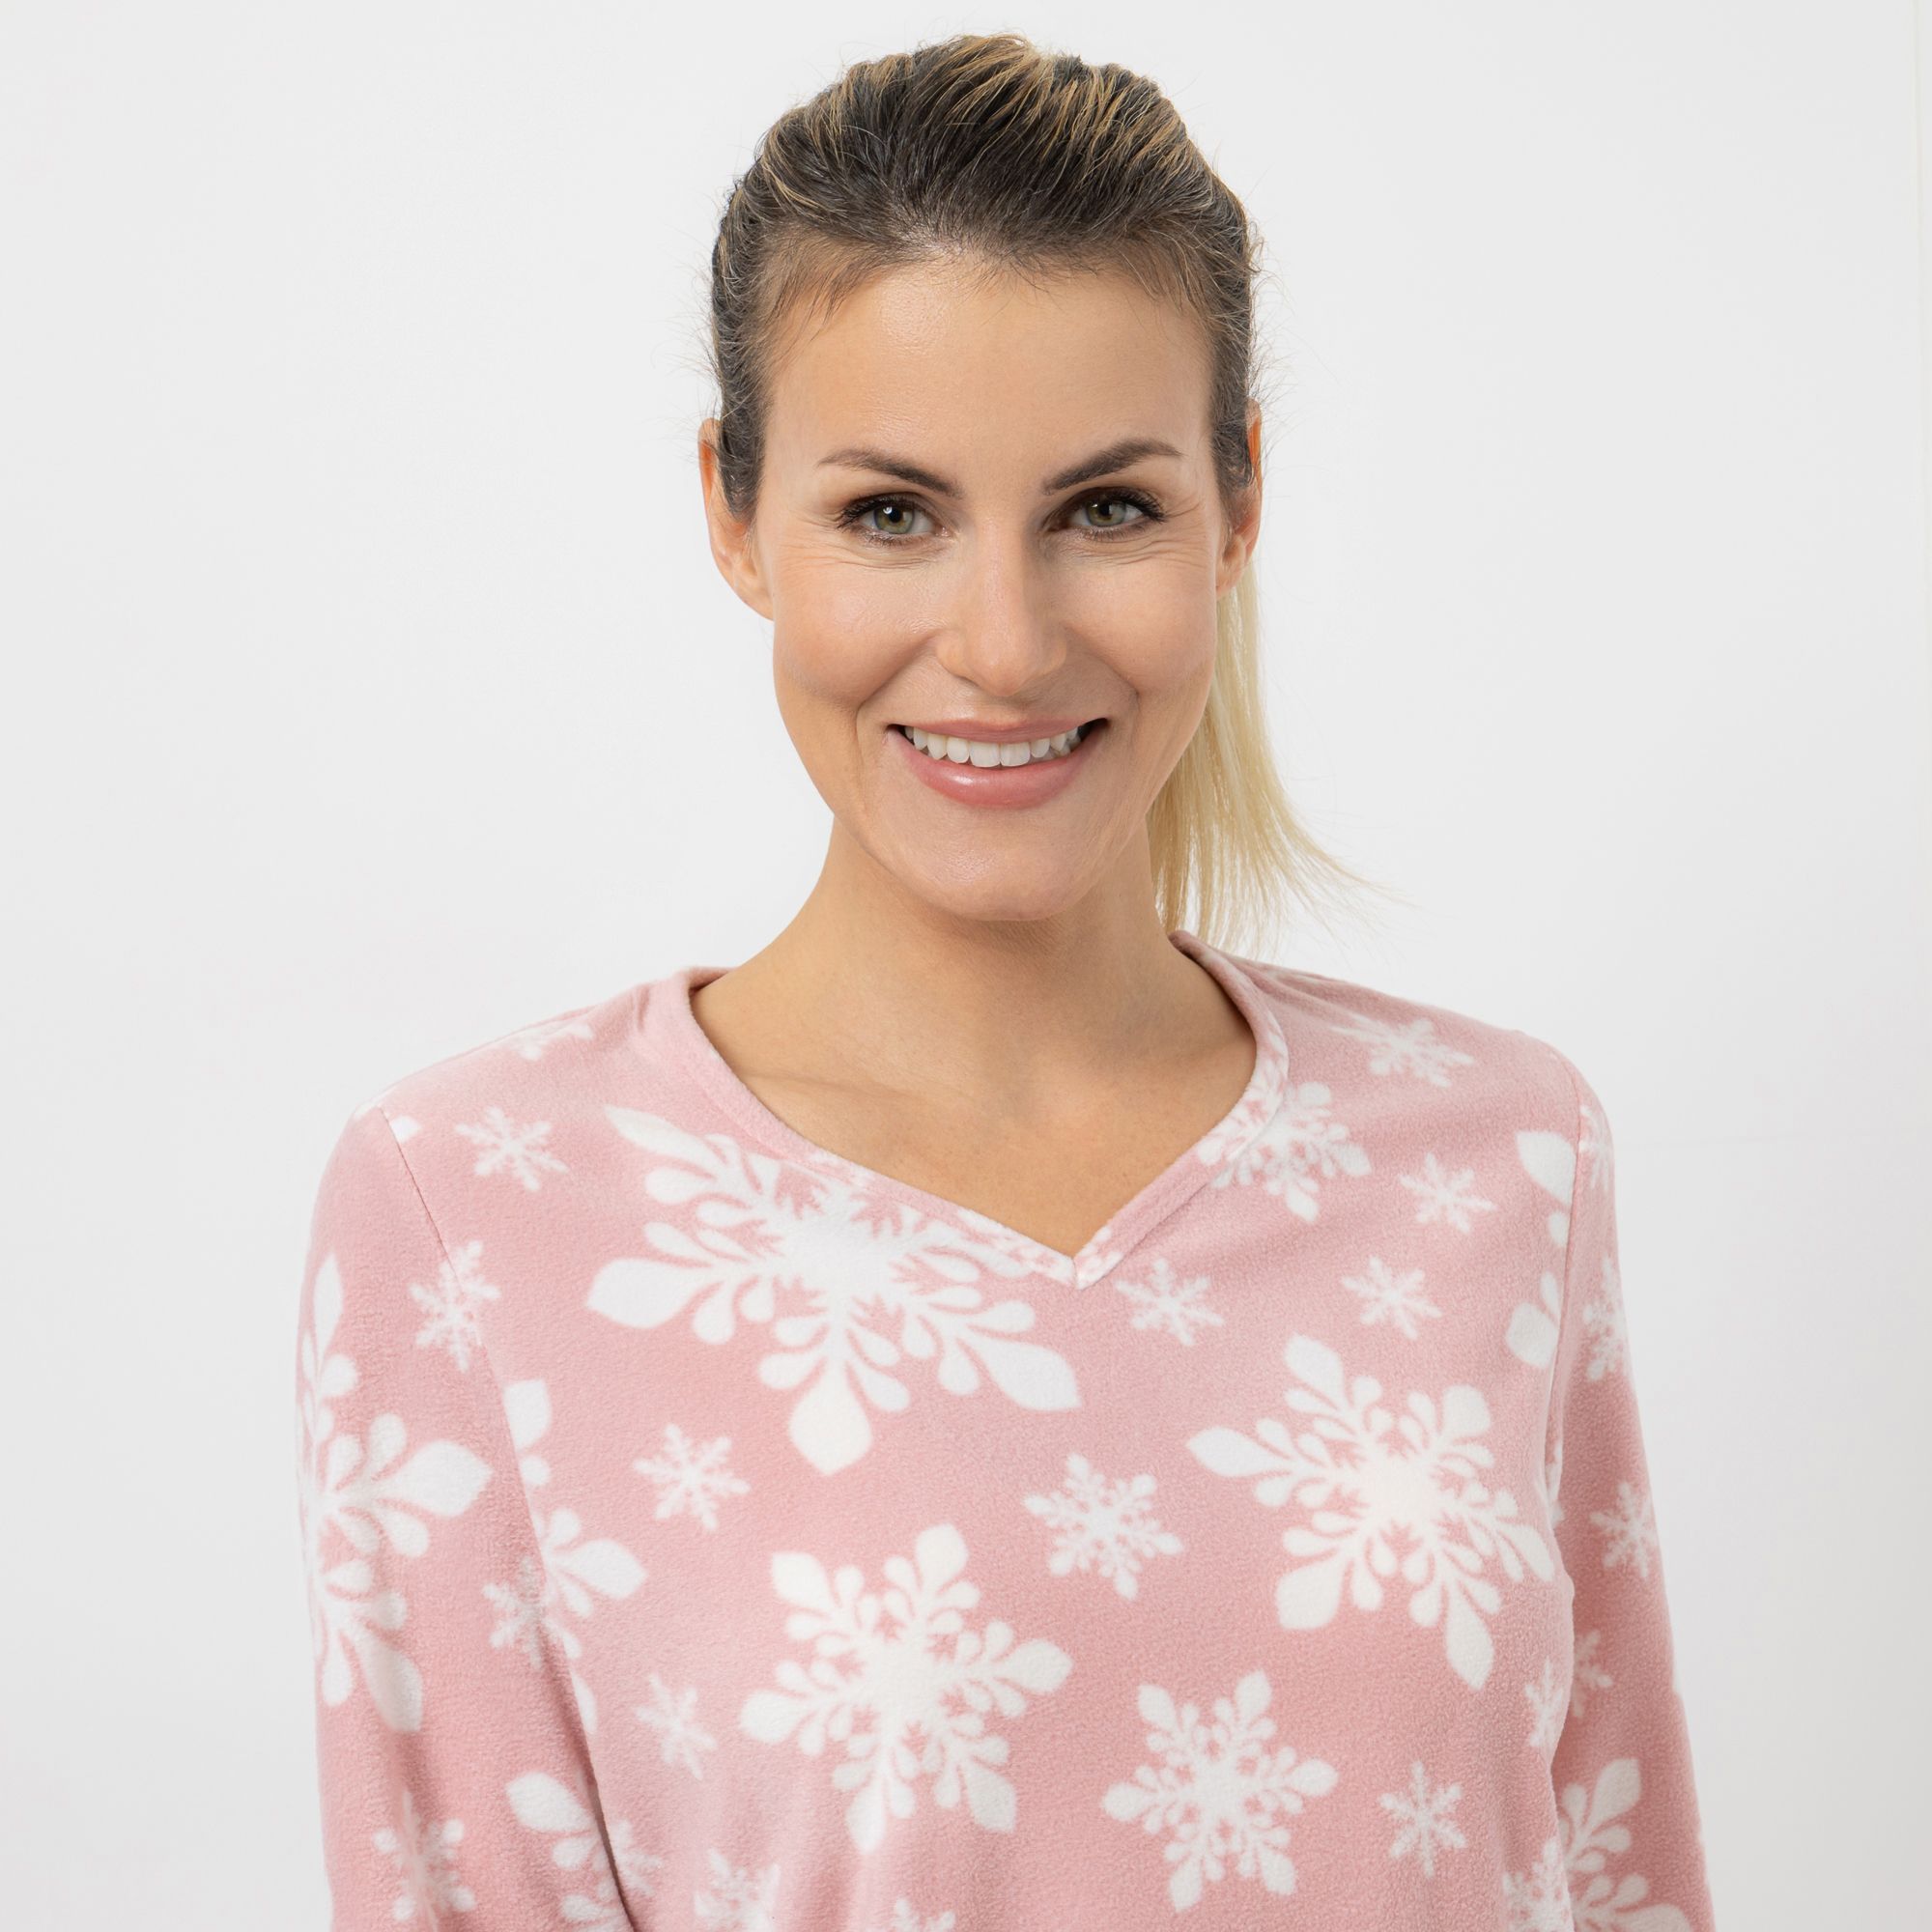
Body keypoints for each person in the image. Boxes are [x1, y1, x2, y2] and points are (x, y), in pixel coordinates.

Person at [294, 31, 1716, 1930]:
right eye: (891, 513)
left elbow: (1621, 1875)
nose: (1003, 642)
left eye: (1104, 509)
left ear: (1239, 502)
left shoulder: (1499, 1161)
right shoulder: (479, 1211)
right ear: (733, 511)